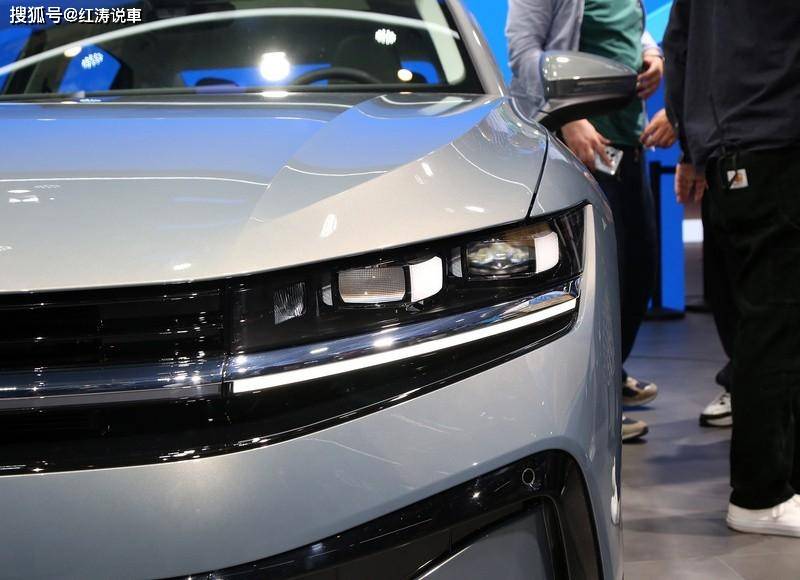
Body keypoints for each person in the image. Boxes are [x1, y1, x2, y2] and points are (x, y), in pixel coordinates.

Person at [664, 0, 800, 536]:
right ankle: (761, 495)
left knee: (765, 325)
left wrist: (692, 149)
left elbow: (678, 48)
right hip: (778, 144)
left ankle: (777, 484)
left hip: (730, 152)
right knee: (774, 326)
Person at [507, 0, 663, 442]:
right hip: (578, 146)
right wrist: (570, 115)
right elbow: (524, 52)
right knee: (595, 282)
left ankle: (611, 374)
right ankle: (594, 408)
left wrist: (652, 54)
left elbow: (627, 27)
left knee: (637, 274)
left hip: (627, 144)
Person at [642, 109, 735, 428]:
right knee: (728, 284)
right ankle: (744, 385)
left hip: (766, 148)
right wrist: (692, 153)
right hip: (725, 154)